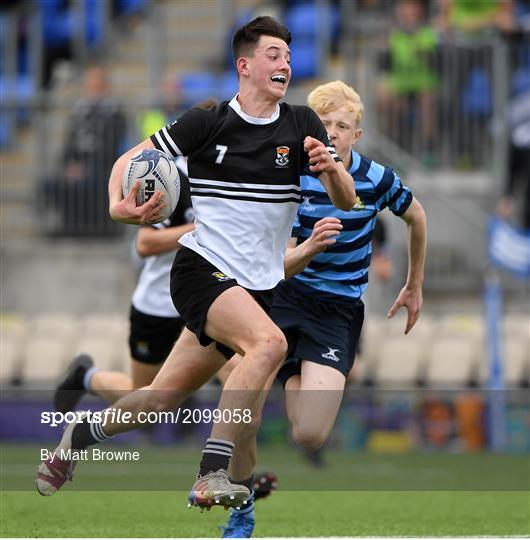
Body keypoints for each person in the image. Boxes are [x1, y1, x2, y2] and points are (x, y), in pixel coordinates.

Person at [36, 15, 356, 528]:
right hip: (201, 270)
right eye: (274, 55)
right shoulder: (207, 123)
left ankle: (76, 436)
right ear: (245, 65)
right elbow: (129, 160)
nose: (286, 64)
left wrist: (331, 168)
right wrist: (119, 205)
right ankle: (212, 473)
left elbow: (346, 199)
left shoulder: (302, 126)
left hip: (257, 290)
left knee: (159, 400)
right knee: (269, 347)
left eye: (289, 57)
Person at [217, 80, 426, 532]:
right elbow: (276, 264)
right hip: (282, 298)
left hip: (336, 312)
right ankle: (241, 506)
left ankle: (292, 369)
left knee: (309, 436)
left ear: (356, 135)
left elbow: (417, 216)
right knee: (239, 411)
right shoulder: (289, 176)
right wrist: (308, 248)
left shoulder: (375, 179)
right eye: (324, 124)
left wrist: (414, 282)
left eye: (342, 125)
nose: (332, 132)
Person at [40, 64, 127, 236]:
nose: (92, 91)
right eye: (89, 87)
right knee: (49, 183)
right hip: (78, 168)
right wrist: (70, 166)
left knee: (95, 180)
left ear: (105, 88)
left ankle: (100, 229)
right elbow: (68, 147)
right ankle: (68, 227)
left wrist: (85, 167)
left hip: (103, 168)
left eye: (96, 87)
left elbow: (111, 148)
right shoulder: (78, 114)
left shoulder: (116, 115)